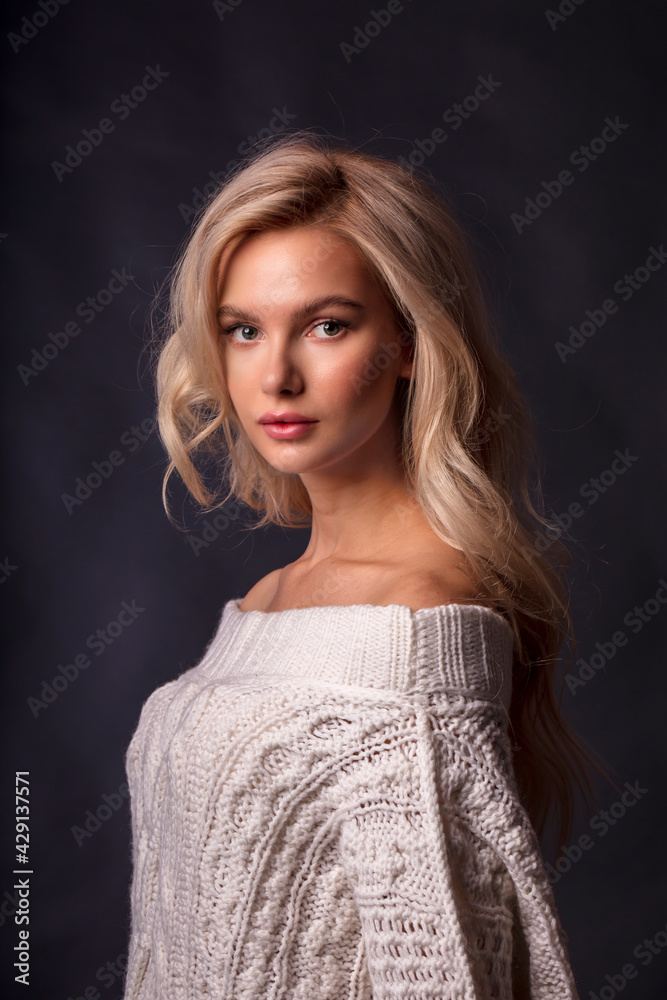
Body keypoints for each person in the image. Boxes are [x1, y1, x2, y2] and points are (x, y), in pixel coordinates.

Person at [122, 132, 598, 999]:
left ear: (410, 341)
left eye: (327, 325)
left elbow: (446, 976)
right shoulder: (265, 601)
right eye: (242, 330)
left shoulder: (420, 624)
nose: (275, 375)